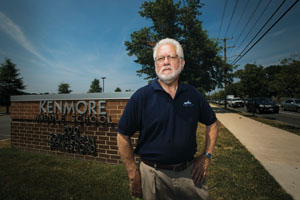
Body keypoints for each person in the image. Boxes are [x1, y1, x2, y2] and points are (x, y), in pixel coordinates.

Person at [117, 38, 218, 200]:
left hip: (190, 174)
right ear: (155, 64)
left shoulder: (193, 94)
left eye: (171, 57)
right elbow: (122, 135)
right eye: (160, 58)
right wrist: (132, 172)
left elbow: (212, 123)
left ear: (182, 63)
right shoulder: (141, 97)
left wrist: (207, 155)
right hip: (152, 175)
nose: (165, 62)